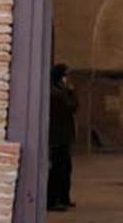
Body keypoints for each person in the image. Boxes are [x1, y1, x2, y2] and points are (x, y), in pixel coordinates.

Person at [48, 63, 78, 212]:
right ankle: (54, 200)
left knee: (65, 169)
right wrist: (71, 92)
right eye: (66, 75)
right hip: (57, 138)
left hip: (62, 136)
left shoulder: (59, 90)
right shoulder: (57, 93)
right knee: (58, 170)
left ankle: (63, 197)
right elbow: (72, 106)